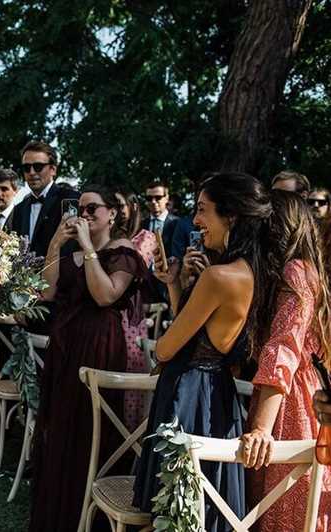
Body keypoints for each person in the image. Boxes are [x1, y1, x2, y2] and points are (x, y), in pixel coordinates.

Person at [133, 172, 272, 532]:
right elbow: (203, 337)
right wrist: (177, 286)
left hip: (187, 397)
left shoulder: (218, 277)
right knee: (206, 511)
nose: (195, 220)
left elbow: (166, 347)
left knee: (172, 509)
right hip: (218, 396)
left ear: (232, 217)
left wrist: (193, 287)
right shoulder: (253, 272)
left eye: (202, 210)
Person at [29, 185, 148, 532]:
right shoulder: (70, 254)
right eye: (80, 208)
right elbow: (46, 292)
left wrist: (87, 249)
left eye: (92, 208)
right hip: (65, 349)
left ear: (112, 213)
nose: (85, 214)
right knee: (61, 427)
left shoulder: (123, 251)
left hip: (100, 349)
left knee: (90, 428)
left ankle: (93, 517)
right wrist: (54, 243)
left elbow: (105, 294)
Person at [241, 190, 331, 531]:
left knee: (286, 505)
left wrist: (262, 428)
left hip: (290, 400)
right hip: (290, 389)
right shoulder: (305, 269)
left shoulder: (295, 271)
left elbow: (284, 349)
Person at [116, 190, 156, 429]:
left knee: (131, 372)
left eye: (121, 206)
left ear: (132, 207)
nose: (118, 211)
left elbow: (130, 272)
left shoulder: (145, 237)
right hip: (108, 314)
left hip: (130, 315)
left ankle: (131, 434)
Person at [10, 140, 80, 258]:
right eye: (26, 168)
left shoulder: (70, 199)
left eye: (38, 167)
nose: (31, 172)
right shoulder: (19, 209)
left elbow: (72, 245)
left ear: (53, 169)